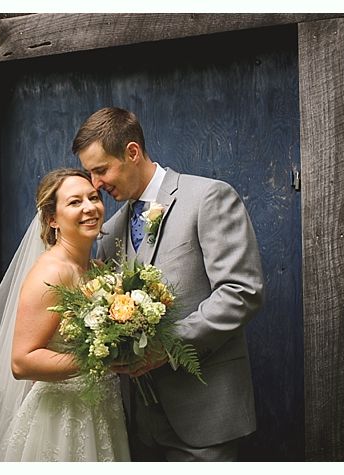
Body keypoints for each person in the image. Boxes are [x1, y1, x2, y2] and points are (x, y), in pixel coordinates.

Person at [73, 107, 264, 461]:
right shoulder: (111, 230)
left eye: (101, 170)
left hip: (205, 414)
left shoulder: (208, 197)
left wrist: (169, 346)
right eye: (89, 173)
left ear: (132, 152)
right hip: (138, 427)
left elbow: (241, 292)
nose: (96, 184)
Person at [0, 168, 129, 461]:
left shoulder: (98, 270)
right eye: (74, 202)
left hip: (101, 410)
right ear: (52, 219)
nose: (89, 207)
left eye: (94, 198)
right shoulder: (50, 273)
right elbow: (22, 361)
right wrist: (102, 358)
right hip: (61, 418)